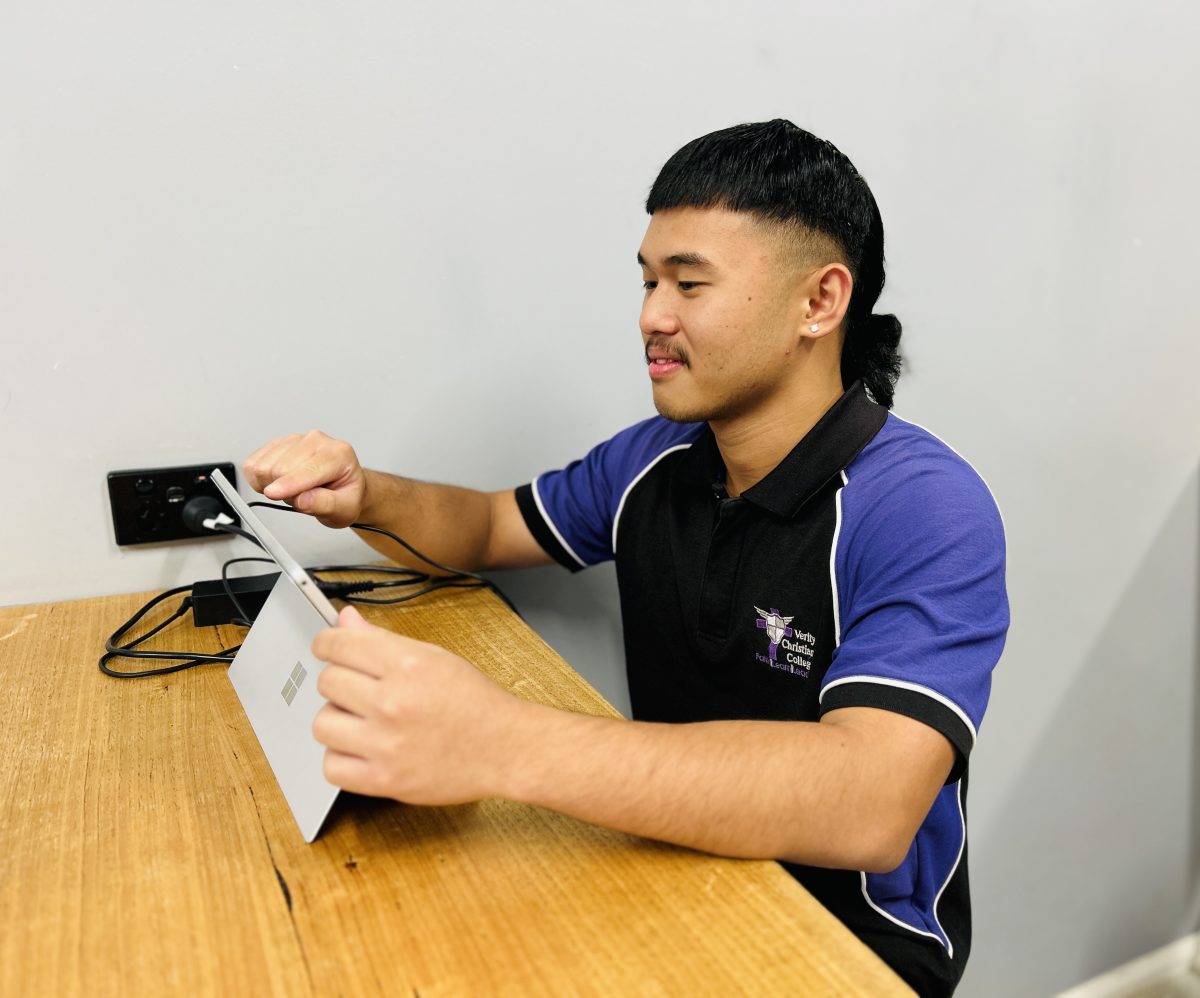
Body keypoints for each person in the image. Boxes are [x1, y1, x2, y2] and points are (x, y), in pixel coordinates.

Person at [243, 119, 1008, 996]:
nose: (652, 317)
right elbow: (489, 527)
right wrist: (364, 495)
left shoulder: (925, 506)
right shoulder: (657, 458)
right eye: (648, 281)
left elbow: (870, 803)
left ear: (819, 302)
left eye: (689, 282)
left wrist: (499, 743)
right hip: (672, 864)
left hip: (854, 949)